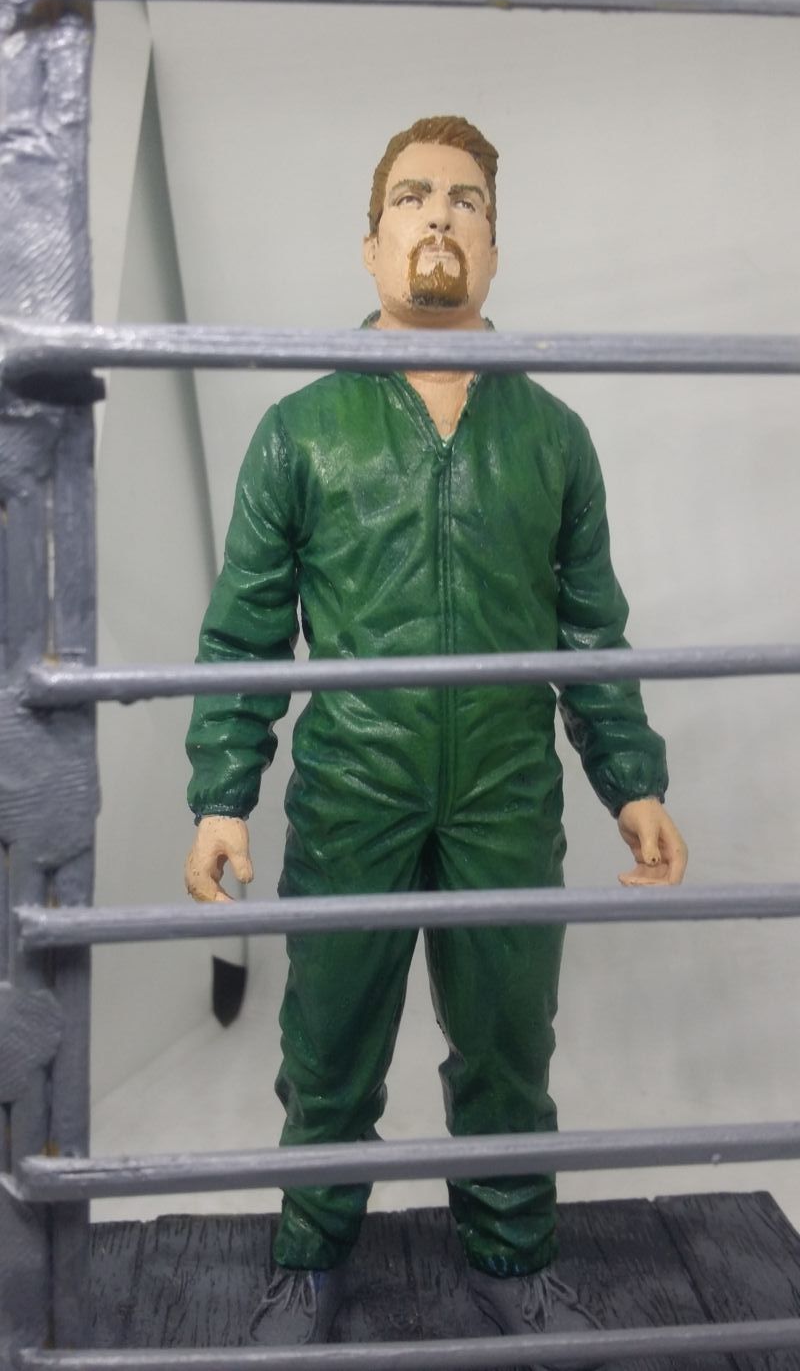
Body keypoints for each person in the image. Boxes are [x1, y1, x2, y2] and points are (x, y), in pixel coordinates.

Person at [184, 116, 687, 1363]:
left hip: (506, 791)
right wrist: (221, 794)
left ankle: (513, 1258)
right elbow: (245, 632)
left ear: (493, 246)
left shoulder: (550, 436)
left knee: (508, 1045)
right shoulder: (301, 430)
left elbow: (589, 627)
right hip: (353, 786)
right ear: (369, 245)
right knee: (328, 1045)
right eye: (411, 198)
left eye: (465, 201)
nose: (439, 219)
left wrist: (629, 780)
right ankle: (309, 1260)